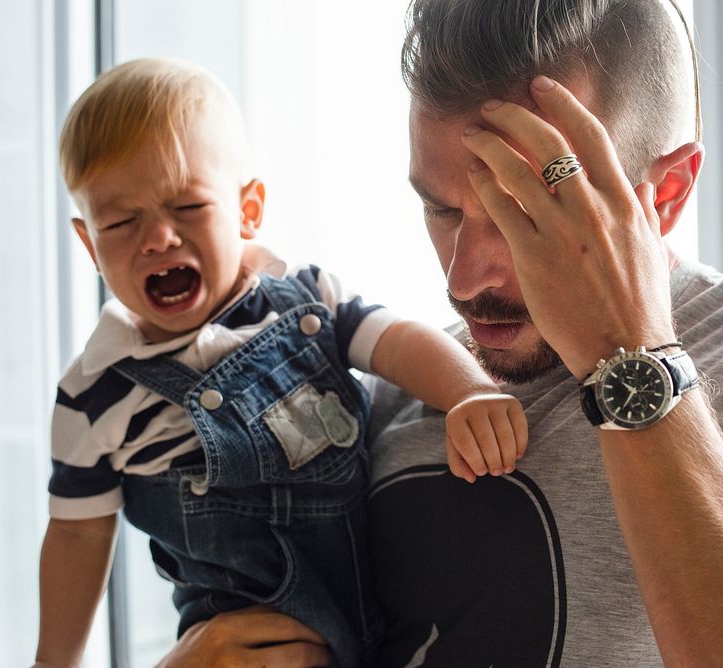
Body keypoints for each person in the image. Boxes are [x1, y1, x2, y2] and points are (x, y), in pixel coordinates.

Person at [163, 0, 723, 665]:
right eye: (441, 209)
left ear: (664, 194)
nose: (464, 279)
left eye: (521, 211)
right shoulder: (395, 395)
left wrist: (630, 359)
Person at [34, 57, 529, 668]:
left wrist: (470, 391)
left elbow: (397, 340)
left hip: (386, 612)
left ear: (247, 210)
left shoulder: (306, 301)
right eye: (122, 220)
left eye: (187, 207)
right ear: (89, 243)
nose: (158, 238)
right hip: (250, 647)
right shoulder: (93, 394)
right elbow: (79, 533)